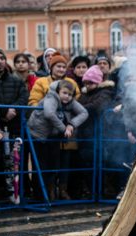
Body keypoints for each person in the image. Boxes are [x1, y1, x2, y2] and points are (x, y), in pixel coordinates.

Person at [27, 80, 87, 200]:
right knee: (40, 166)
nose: (67, 96)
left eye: (70, 94)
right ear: (58, 91)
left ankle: (50, 194)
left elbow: (84, 112)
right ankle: (39, 197)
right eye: (64, 93)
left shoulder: (70, 101)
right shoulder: (51, 97)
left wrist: (72, 125)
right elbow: (49, 113)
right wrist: (64, 129)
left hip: (52, 135)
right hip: (38, 135)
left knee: (53, 165)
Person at [0, 48, 28, 203]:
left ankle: (13, 192)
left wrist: (13, 110)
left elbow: (24, 97)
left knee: (12, 160)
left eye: (2, 58)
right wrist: (4, 111)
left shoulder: (15, 80)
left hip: (13, 125)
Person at [76, 65, 115, 198]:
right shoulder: (84, 94)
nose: (87, 85)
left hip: (99, 134)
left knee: (101, 163)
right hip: (86, 134)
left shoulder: (105, 92)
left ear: (98, 82)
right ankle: (92, 191)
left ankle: (103, 191)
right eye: (86, 82)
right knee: (86, 163)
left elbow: (96, 106)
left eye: (91, 82)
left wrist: (81, 110)